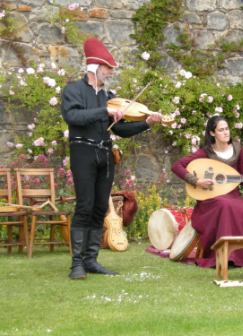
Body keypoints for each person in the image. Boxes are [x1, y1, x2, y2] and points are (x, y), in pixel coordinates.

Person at [61, 37, 162, 279]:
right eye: (107, 68)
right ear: (95, 67)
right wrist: (103, 110)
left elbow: (121, 130)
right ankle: (76, 264)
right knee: (84, 206)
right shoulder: (73, 90)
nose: (110, 73)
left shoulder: (110, 96)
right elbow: (73, 117)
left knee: (98, 208)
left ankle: (91, 260)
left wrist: (146, 123)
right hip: (83, 152)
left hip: (105, 154)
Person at [171, 115, 243, 268]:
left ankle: (240, 255)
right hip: (211, 198)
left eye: (227, 129)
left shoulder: (237, 149)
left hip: (233, 194)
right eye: (221, 130)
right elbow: (177, 166)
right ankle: (221, 254)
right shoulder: (205, 152)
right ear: (212, 133)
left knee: (240, 208)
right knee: (224, 205)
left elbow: (241, 177)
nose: (226, 133)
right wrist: (196, 181)